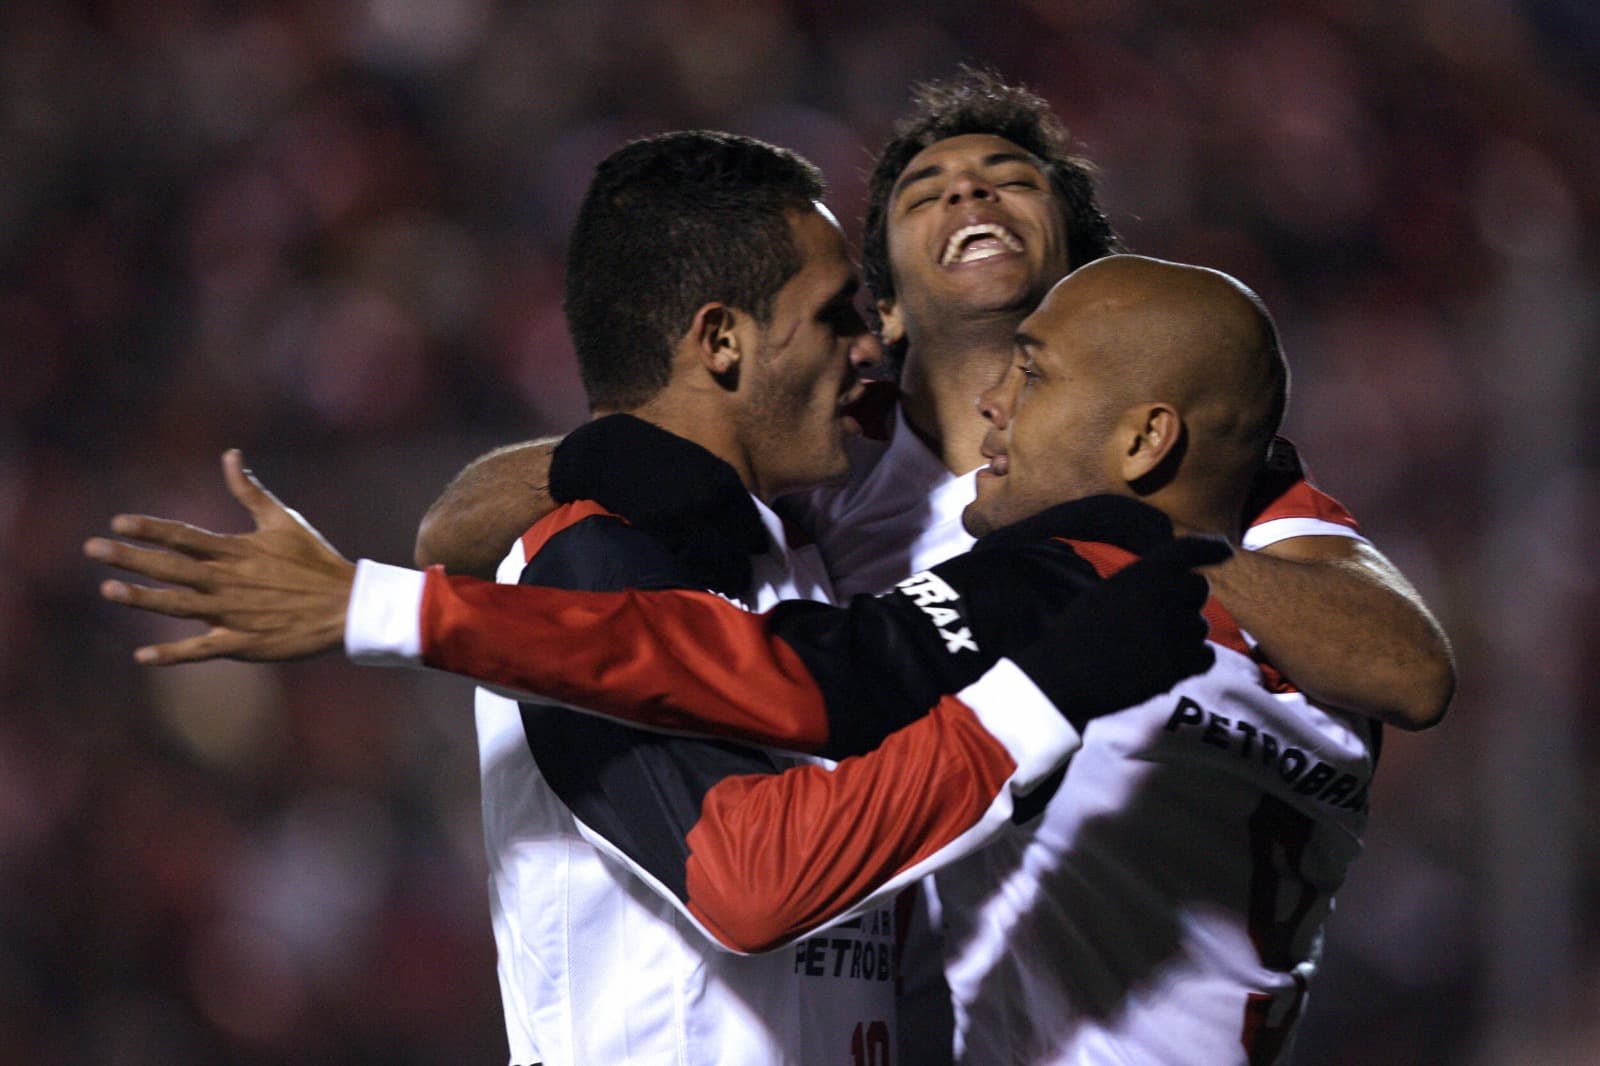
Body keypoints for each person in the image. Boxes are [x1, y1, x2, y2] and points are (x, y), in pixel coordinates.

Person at [86, 131, 1220, 1066]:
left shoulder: (796, 550)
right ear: (720, 343)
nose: (867, 341)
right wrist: (1045, 690)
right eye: (833, 314)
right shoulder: (587, 567)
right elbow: (753, 883)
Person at [412, 69, 1454, 733]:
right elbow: (452, 535)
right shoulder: (824, 456)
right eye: (925, 190)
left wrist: (1142, 545)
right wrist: (622, 455)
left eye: (1012, 179)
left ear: (1089, 276)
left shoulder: (1194, 473)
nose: (968, 192)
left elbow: (1407, 669)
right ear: (887, 312)